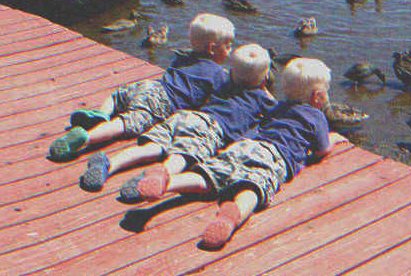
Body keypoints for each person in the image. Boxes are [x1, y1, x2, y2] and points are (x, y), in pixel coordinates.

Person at [133, 58, 346, 249]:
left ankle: (167, 181)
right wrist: (333, 139)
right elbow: (321, 150)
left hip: (245, 145)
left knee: (209, 175)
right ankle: (232, 216)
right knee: (253, 186)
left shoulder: (277, 108)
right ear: (317, 97)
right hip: (273, 156)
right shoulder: (316, 117)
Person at [79, 44, 277, 195]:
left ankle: (110, 163)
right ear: (264, 78)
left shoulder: (223, 83)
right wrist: (264, 89)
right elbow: (275, 113)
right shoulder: (262, 100)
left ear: (232, 72)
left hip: (185, 117)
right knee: (181, 156)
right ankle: (158, 177)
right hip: (209, 128)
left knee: (152, 147)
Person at [49, 13, 235, 162]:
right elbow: (220, 100)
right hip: (163, 103)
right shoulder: (217, 74)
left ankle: (103, 113)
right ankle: (87, 137)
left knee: (119, 95)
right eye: (228, 46)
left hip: (151, 86)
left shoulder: (182, 57)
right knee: (126, 123)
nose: (230, 50)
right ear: (212, 48)